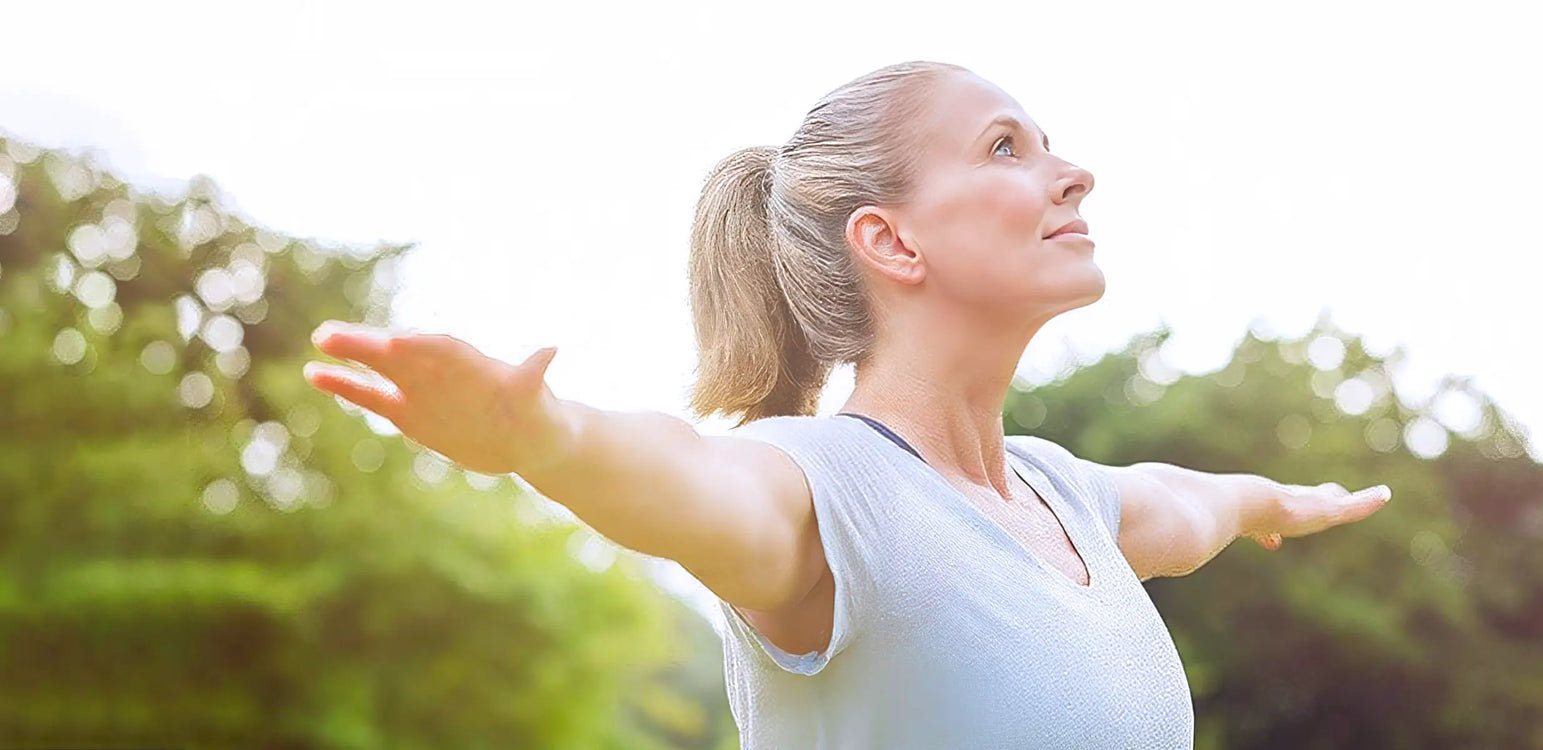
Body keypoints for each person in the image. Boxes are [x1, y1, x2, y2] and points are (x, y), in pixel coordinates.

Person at [303, 61, 1391, 749]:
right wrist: (548, 437)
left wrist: (1280, 502)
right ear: (890, 239)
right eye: (1007, 146)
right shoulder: (830, 492)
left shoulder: (1073, 501)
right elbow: (688, 474)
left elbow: (1194, 504)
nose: (1074, 175)